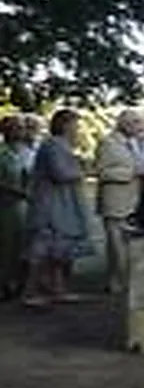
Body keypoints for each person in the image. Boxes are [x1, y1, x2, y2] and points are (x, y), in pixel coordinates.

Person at [22, 109, 93, 307]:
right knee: (42, 251)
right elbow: (60, 174)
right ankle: (29, 293)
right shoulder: (53, 144)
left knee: (58, 251)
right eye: (75, 125)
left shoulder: (60, 145)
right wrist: (81, 169)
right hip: (51, 205)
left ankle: (58, 290)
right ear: (64, 125)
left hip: (60, 203)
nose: (78, 130)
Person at [94, 109, 144, 295]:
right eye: (136, 123)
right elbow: (102, 172)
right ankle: (118, 283)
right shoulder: (108, 143)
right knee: (116, 246)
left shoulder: (132, 143)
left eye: (140, 122)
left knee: (127, 245)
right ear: (125, 124)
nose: (139, 127)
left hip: (133, 199)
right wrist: (132, 173)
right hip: (114, 201)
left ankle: (123, 281)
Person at [0, 116, 31, 300]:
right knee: (7, 246)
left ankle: (22, 283)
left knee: (26, 245)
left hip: (27, 206)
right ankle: (5, 284)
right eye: (15, 127)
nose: (20, 131)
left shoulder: (26, 151)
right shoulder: (2, 153)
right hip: (6, 206)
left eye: (21, 127)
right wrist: (19, 191)